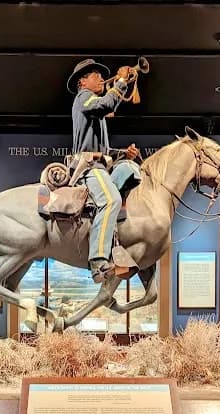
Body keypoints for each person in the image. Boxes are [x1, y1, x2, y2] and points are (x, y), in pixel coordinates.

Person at [67, 58, 141, 283]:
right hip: (89, 169)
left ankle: (115, 246)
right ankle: (99, 262)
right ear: (82, 82)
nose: (101, 78)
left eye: (102, 75)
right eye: (95, 75)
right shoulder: (84, 98)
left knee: (131, 170)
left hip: (101, 166)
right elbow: (107, 104)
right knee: (111, 201)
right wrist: (119, 82)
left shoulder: (93, 108)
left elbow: (105, 151)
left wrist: (123, 154)